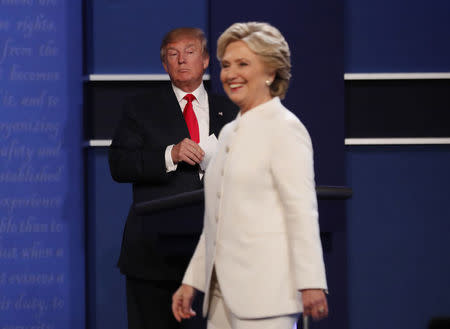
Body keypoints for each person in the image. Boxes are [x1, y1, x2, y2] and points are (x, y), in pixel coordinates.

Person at [172, 22, 329, 329]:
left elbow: (301, 212)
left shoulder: (285, 129)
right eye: (226, 65)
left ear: (271, 72)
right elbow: (218, 219)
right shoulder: (229, 132)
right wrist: (192, 281)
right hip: (221, 301)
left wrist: (311, 282)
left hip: (266, 299)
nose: (231, 74)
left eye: (243, 64)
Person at [108, 27, 237, 329]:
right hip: (154, 256)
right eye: (172, 54)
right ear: (164, 64)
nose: (181, 60)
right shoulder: (140, 109)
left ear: (206, 60)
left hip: (217, 254)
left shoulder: (231, 110)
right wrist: (170, 154)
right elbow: (119, 164)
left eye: (190, 52)